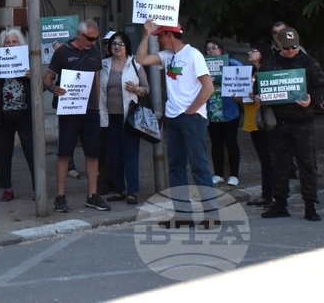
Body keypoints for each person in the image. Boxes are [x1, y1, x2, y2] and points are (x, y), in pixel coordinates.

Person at [135, 21, 216, 224]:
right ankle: (183, 215)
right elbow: (140, 58)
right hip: (173, 117)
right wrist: (145, 35)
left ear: (170, 36)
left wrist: (190, 111)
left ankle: (212, 214)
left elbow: (208, 87)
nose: (158, 39)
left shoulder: (193, 54)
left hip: (192, 118)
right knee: (176, 167)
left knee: (199, 165)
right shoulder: (167, 56)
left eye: (160, 36)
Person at [259, 26, 324, 221]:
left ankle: (310, 205)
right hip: (278, 124)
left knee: (306, 165)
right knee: (278, 165)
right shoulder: (270, 64)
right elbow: (259, 87)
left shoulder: (308, 62)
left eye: (294, 46)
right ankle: (280, 204)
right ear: (279, 43)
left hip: (302, 123)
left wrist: (311, 99)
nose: (291, 51)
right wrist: (257, 96)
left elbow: (322, 88)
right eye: (287, 47)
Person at [44, 19, 109, 213]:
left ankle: (92, 195)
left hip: (90, 111)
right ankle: (60, 196)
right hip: (69, 110)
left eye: (95, 39)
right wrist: (53, 88)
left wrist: (97, 107)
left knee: (93, 153)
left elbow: (97, 80)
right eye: (89, 38)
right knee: (64, 153)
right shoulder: (62, 52)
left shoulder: (95, 53)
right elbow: (47, 78)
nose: (93, 42)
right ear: (79, 35)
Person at [0, 27, 35, 202]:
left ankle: (39, 188)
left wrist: (32, 77)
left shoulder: (29, 62)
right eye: (8, 42)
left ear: (20, 44)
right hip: (2, 114)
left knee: (32, 151)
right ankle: (7, 188)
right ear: (3, 45)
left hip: (25, 113)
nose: (11, 45)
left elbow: (41, 87)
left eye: (14, 42)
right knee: (1, 153)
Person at [99, 31, 149, 204]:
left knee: (130, 154)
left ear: (127, 46)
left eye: (120, 44)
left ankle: (132, 191)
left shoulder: (135, 64)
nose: (117, 47)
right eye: (114, 44)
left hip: (130, 117)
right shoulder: (103, 64)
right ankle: (119, 190)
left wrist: (136, 89)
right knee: (114, 154)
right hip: (109, 116)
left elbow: (146, 88)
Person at [239, 45, 273, 208]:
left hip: (265, 122)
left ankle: (271, 195)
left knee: (269, 160)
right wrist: (239, 98)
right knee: (264, 160)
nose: (249, 53)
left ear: (263, 54)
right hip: (253, 120)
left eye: (254, 50)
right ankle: (266, 194)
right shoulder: (251, 73)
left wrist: (258, 96)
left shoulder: (267, 73)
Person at [204, 40, 241, 187]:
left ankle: (234, 175)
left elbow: (242, 74)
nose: (211, 51)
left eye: (214, 47)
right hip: (212, 110)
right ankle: (218, 173)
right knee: (216, 143)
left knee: (231, 142)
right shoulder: (204, 64)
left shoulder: (231, 63)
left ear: (221, 49)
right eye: (208, 49)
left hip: (229, 109)